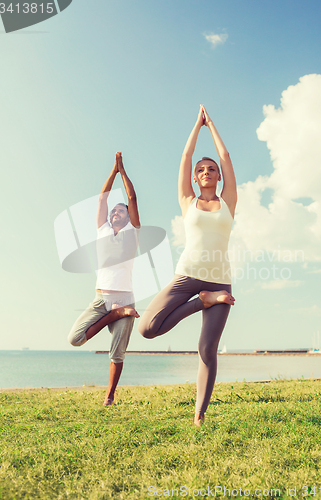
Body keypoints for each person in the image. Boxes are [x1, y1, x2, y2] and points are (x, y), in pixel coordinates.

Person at [138, 105, 237, 426]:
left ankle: (199, 416)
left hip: (221, 281)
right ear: (195, 178)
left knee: (207, 349)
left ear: (218, 176)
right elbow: (185, 157)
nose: (207, 171)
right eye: (201, 170)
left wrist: (214, 127)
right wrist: (197, 125)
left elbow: (226, 158)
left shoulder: (228, 202)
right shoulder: (187, 200)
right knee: (148, 328)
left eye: (211, 169)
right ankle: (202, 303)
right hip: (187, 277)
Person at [68, 152, 140, 406]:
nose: (114, 214)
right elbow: (102, 199)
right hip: (102, 300)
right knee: (75, 339)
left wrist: (123, 171)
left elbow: (131, 198)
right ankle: (116, 315)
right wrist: (112, 171)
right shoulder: (102, 231)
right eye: (113, 212)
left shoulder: (133, 232)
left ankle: (109, 396)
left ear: (128, 216)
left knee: (117, 353)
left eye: (120, 211)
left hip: (124, 298)